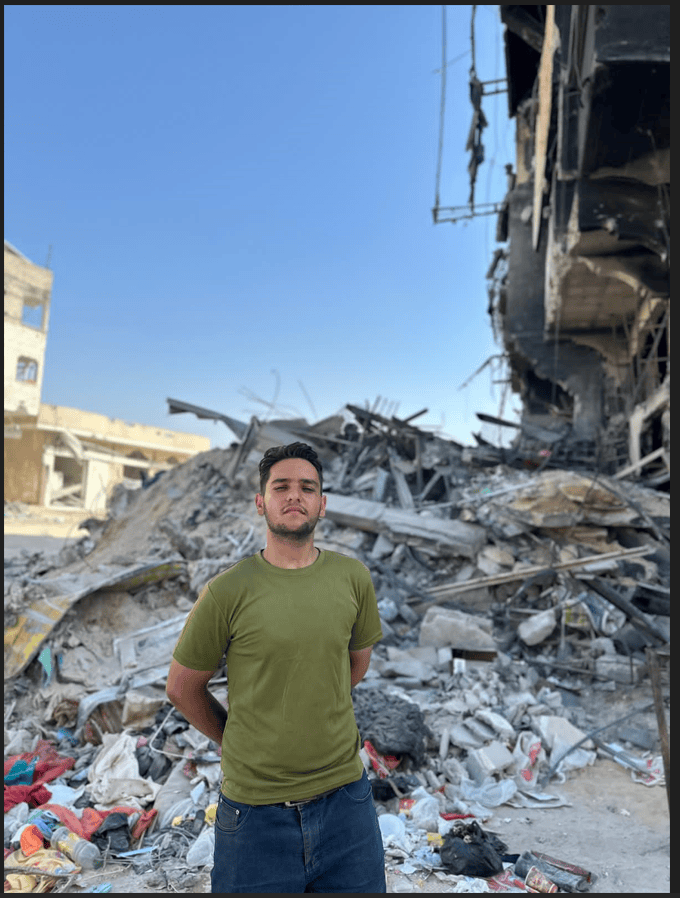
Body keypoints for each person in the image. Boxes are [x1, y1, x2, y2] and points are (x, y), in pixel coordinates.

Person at [166, 442, 386, 893]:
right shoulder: (227, 592)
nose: (294, 495)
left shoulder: (353, 578)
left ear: (322, 505)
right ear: (261, 501)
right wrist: (237, 739)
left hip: (347, 802)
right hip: (255, 816)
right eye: (280, 486)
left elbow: (354, 666)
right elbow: (183, 688)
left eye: (307, 487)